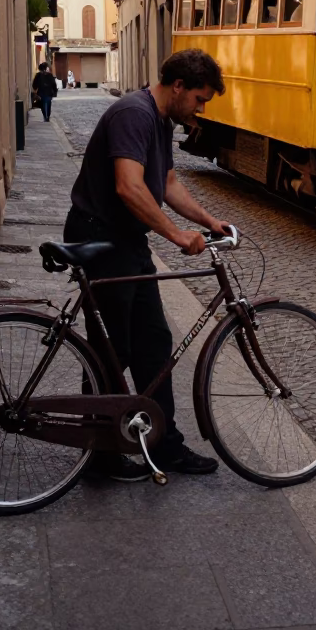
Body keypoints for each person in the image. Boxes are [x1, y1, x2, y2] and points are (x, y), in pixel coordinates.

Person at [63, 48, 232, 482]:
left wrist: (208, 221)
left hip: (126, 241)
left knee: (153, 344)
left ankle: (164, 444)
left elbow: (168, 183)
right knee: (112, 349)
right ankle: (98, 453)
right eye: (199, 99)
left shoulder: (160, 120)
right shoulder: (134, 114)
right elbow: (128, 186)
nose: (200, 108)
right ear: (178, 87)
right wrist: (175, 235)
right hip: (100, 239)